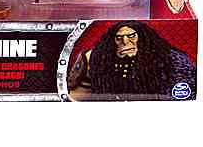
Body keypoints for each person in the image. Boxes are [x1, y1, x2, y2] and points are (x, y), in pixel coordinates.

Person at [68, 21, 196, 100]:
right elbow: (75, 99)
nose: (125, 42)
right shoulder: (96, 58)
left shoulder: (171, 60)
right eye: (119, 38)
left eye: (131, 36)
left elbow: (182, 98)